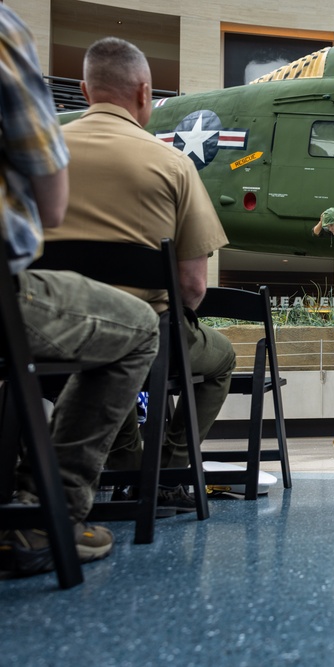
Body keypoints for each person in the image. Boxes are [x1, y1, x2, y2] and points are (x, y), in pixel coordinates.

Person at [0, 6, 160, 576]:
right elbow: (50, 203)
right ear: (144, 93)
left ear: (86, 88)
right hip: (22, 307)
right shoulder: (5, 28)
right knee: (142, 327)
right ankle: (51, 511)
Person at [48, 37, 235, 514]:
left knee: (105, 358)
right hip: (147, 334)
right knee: (222, 358)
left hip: (50, 335)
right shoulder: (172, 163)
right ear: (144, 93)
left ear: (86, 92)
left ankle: (128, 462)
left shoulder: (42, 157)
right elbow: (193, 286)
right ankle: (168, 469)